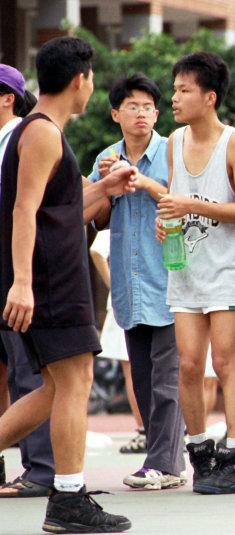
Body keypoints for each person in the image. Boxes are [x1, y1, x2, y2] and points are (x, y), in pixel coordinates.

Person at [0, 36, 134, 532]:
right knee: (75, 383)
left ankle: (68, 497)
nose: (93, 86)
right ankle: (69, 499)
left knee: (57, 388)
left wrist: (103, 188)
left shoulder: (45, 132)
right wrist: (21, 283)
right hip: (49, 281)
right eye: (92, 78)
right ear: (80, 80)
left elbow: (58, 211)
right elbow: (22, 210)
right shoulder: (40, 133)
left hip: (54, 277)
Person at [155, 51, 235, 494]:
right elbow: (176, 200)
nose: (175, 97)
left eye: (184, 90)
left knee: (225, 363)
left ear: (210, 97)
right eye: (175, 89)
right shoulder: (174, 142)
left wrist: (192, 205)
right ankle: (199, 453)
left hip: (226, 270)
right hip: (186, 269)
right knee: (189, 365)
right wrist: (166, 223)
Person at [88, 73, 187, 492]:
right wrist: (107, 187)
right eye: (132, 106)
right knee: (144, 380)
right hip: (129, 285)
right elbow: (99, 219)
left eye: (148, 106)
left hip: (169, 279)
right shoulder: (106, 157)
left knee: (168, 378)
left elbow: (181, 201)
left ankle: (161, 464)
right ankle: (168, 459)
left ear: (157, 113)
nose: (142, 113)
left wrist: (141, 181)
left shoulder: (174, 153)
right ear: (116, 114)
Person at [0, 64, 54, 500]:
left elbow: (26, 211)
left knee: (27, 374)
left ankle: (42, 471)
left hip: (19, 276)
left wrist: (22, 280)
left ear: (7, 98)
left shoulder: (24, 137)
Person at [88, 230, 147, 456]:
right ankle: (150, 430)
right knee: (136, 368)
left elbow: (96, 251)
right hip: (134, 298)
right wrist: (115, 286)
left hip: (134, 297)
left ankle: (146, 430)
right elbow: (97, 251)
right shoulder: (123, 207)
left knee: (135, 369)